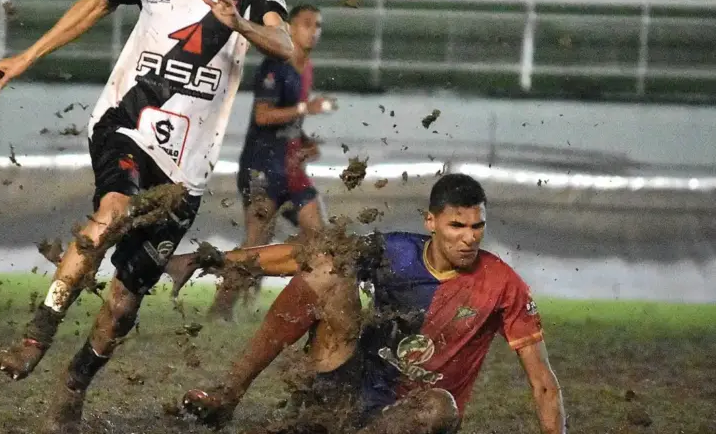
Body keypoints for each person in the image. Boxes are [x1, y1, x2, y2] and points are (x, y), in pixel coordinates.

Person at [0, 0, 294, 433]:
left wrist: (241, 27)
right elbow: (98, 3)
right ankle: (36, 335)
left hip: (187, 171)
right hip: (125, 126)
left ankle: (74, 385)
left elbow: (285, 43)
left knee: (122, 305)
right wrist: (25, 57)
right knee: (113, 210)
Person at [169, 174, 567, 434]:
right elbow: (302, 254)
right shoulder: (393, 251)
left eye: (477, 226)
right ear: (431, 222)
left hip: (404, 417)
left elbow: (543, 382)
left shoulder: (503, 285)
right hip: (345, 385)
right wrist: (215, 258)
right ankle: (228, 394)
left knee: (440, 408)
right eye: (457, 226)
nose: (469, 238)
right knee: (327, 269)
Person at [210, 3, 333, 319]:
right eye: (307, 24)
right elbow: (263, 116)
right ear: (290, 27)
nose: (313, 31)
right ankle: (221, 310)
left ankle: (311, 305)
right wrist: (307, 109)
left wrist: (305, 142)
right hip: (261, 167)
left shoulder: (306, 69)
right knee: (256, 244)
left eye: (318, 25)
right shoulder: (274, 66)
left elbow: (289, 121)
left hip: (291, 170)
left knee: (320, 235)